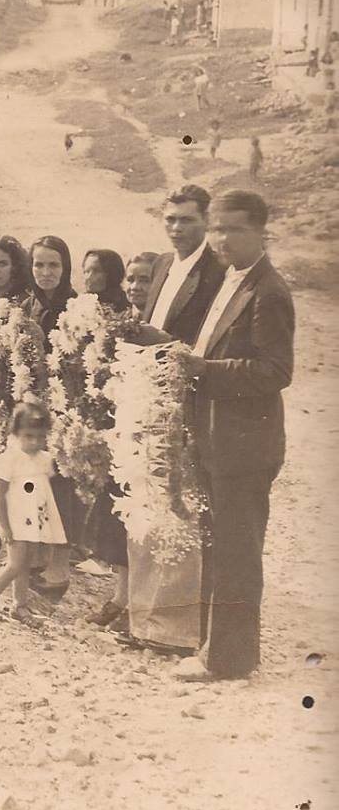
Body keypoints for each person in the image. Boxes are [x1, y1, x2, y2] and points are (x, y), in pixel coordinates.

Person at [174, 190, 295, 682]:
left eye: (234, 229)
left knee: (236, 552)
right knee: (217, 545)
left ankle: (228, 661)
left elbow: (275, 371)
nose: (221, 239)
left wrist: (203, 371)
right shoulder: (232, 279)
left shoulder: (268, 290)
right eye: (217, 227)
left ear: (260, 231)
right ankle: (216, 647)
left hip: (245, 444)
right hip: (216, 436)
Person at [0, 401, 66, 622]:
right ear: (16, 433)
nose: (35, 442)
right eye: (28, 436)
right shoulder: (9, 459)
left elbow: (42, 492)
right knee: (15, 563)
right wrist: (6, 527)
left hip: (35, 520)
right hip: (15, 520)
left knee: (26, 565)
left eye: (40, 437)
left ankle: (20, 606)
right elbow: (0, 495)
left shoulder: (44, 459)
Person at [138, 184, 224, 346]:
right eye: (170, 219)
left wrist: (167, 342)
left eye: (187, 220)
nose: (176, 228)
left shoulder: (219, 271)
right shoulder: (161, 263)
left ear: (206, 221)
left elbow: (217, 345)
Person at [28, 235, 75, 337]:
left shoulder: (76, 307)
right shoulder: (27, 306)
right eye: (39, 265)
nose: (46, 273)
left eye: (53, 265)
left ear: (65, 268)